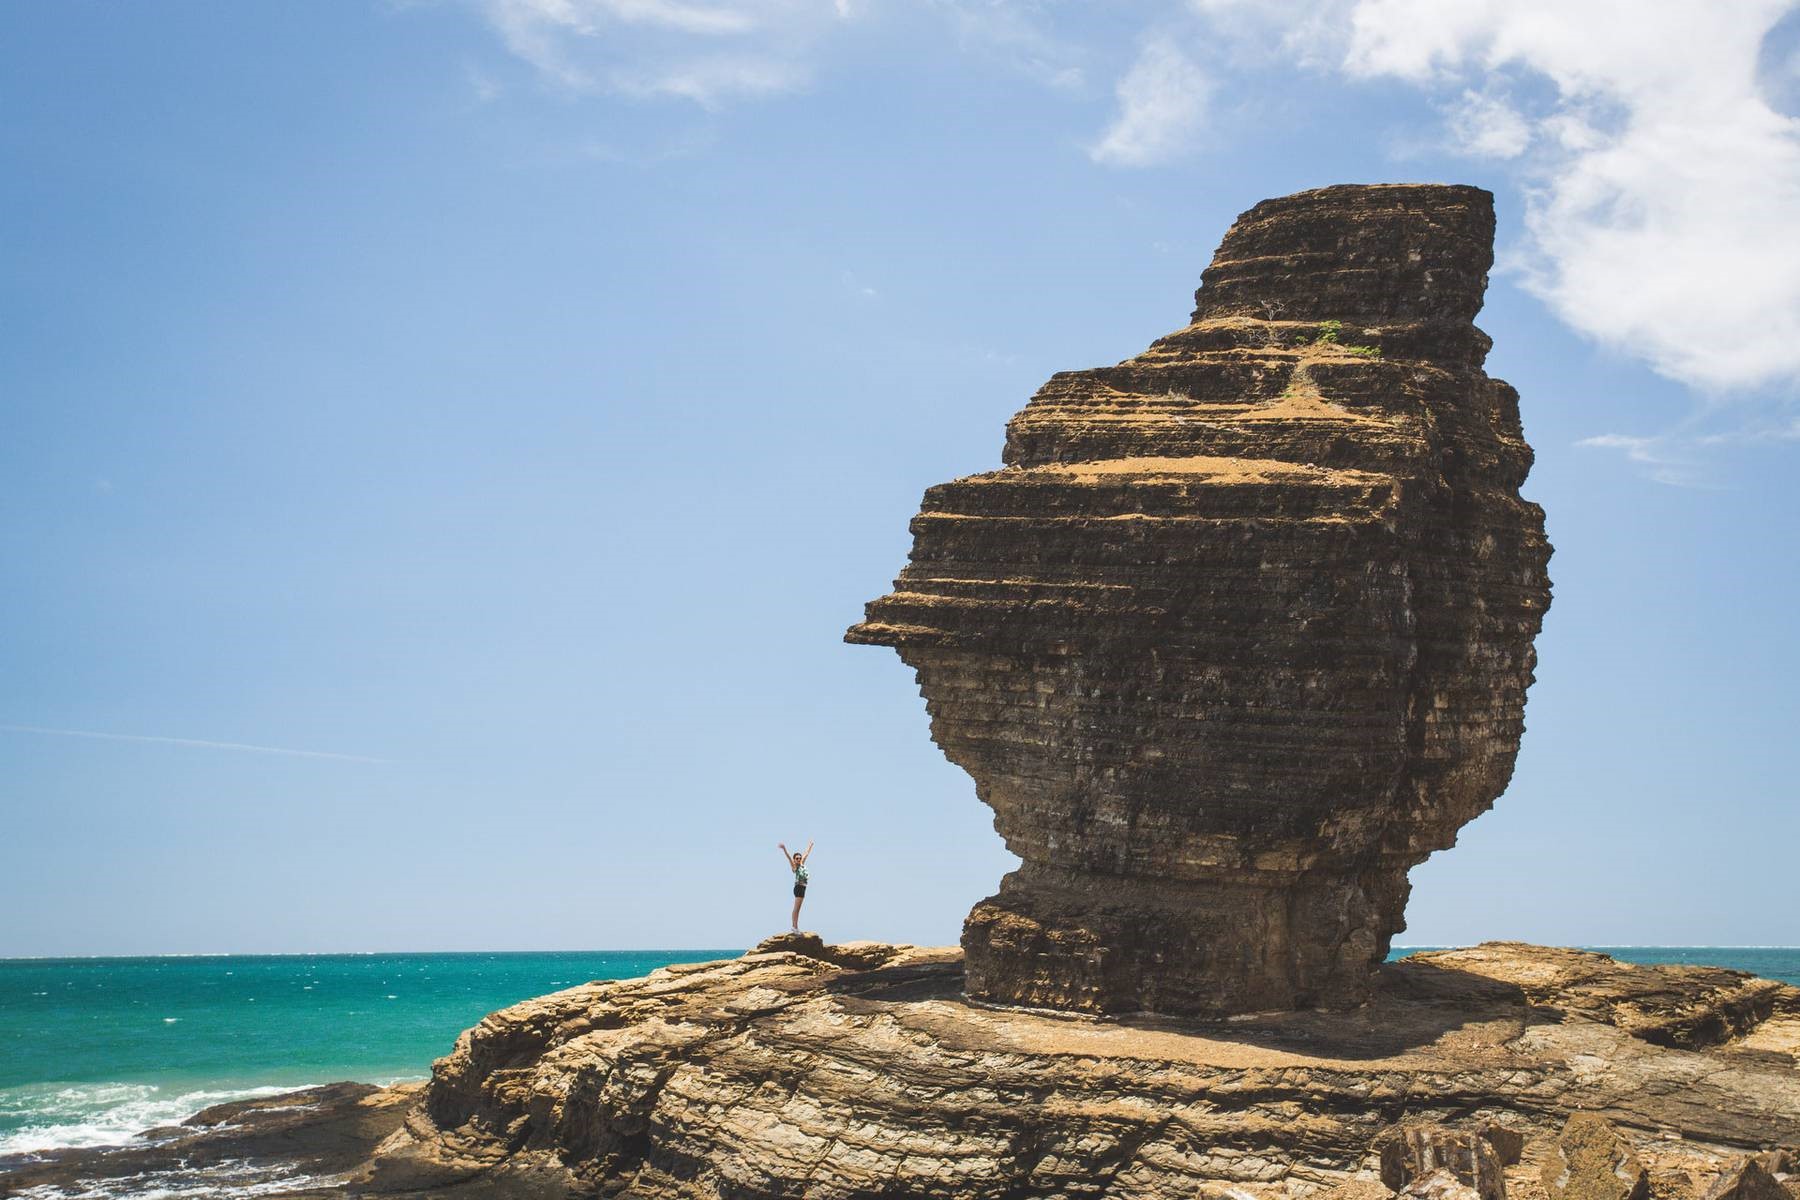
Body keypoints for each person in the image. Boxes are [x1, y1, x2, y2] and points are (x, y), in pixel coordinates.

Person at [778, 840, 813, 932]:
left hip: (803, 888)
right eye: (797, 858)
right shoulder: (795, 867)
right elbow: (789, 857)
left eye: (799, 858)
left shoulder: (802, 864)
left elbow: (806, 853)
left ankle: (795, 927)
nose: (798, 859)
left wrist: (810, 845)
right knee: (796, 909)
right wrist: (784, 849)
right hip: (798, 888)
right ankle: (794, 927)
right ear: (794, 860)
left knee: (798, 909)